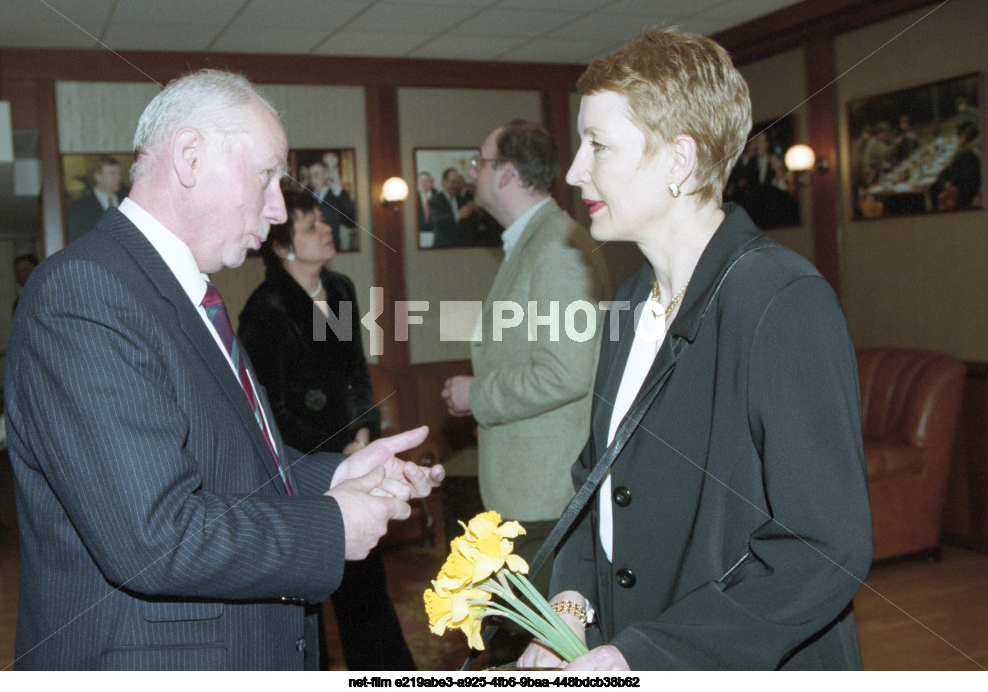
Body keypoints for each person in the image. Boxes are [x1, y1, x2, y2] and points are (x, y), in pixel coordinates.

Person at [4, 69, 443, 670]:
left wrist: (333, 476)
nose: (277, 207)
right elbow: (153, 538)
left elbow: (230, 461)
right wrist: (331, 526)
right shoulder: (86, 292)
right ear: (189, 157)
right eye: (266, 176)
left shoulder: (179, 290)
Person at [518, 28, 872, 671]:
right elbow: (599, 473)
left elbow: (823, 546)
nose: (574, 170)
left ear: (679, 160)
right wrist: (568, 607)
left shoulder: (782, 298)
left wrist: (646, 657)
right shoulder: (629, 299)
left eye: (597, 145)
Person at [238, 188, 415, 670]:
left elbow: (354, 371)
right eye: (311, 225)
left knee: (366, 593)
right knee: (305, 602)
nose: (326, 229)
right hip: (300, 472)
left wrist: (363, 433)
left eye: (323, 220)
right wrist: (334, 453)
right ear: (281, 246)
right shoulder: (265, 309)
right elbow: (270, 409)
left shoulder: (339, 290)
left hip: (351, 456)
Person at [441, 120, 608, 601]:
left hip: (548, 494)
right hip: (529, 487)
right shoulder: (533, 241)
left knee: (552, 655)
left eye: (480, 162)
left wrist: (475, 394)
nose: (472, 173)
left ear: (506, 174)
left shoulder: (556, 246)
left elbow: (565, 372)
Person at [65, 155, 126, 243]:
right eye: (112, 173)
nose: (118, 178)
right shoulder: (80, 207)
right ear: (98, 177)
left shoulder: (126, 201)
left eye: (119, 173)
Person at [308, 153, 357, 252]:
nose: (313, 179)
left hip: (331, 249)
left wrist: (337, 190)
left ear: (325, 175)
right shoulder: (306, 196)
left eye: (316, 174)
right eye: (310, 176)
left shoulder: (336, 195)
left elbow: (352, 219)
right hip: (311, 249)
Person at [431, 168, 473, 247]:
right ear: (444, 182)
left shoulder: (463, 200)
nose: (456, 186)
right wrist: (458, 215)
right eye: (453, 182)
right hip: (443, 247)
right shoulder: (435, 200)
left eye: (458, 183)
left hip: (462, 248)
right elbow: (437, 221)